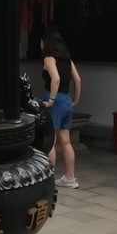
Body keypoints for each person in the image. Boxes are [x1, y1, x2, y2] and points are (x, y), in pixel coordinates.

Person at [41, 30, 82, 189]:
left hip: (55, 100)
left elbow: (55, 79)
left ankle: (48, 179)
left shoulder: (49, 59)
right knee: (65, 141)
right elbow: (77, 80)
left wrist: (50, 100)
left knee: (50, 139)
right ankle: (70, 178)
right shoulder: (67, 60)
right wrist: (75, 100)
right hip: (66, 99)